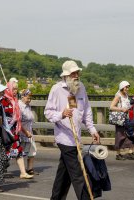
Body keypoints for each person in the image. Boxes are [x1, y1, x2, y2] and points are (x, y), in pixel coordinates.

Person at [44, 60, 100, 200]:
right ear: (66, 75)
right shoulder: (56, 89)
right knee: (77, 174)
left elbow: (86, 110)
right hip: (64, 138)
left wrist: (92, 129)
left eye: (77, 72)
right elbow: (48, 112)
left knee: (64, 174)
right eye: (73, 73)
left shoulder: (81, 87)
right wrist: (61, 114)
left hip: (76, 137)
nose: (76, 75)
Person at [1, 81, 33, 179]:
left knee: (18, 150)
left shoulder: (14, 100)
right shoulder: (3, 100)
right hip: (5, 130)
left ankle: (23, 172)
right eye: (13, 88)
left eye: (16, 89)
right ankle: (0, 170)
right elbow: (2, 115)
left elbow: (18, 117)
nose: (15, 91)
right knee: (4, 151)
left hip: (14, 130)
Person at [110, 81, 134, 160]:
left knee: (130, 135)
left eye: (128, 87)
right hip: (120, 119)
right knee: (120, 136)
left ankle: (130, 152)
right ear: (121, 87)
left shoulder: (126, 95)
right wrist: (121, 109)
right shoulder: (118, 96)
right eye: (126, 87)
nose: (127, 89)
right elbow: (111, 107)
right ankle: (118, 154)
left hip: (127, 118)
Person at [19, 89, 38, 175]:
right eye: (28, 98)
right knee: (20, 152)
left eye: (30, 98)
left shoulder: (28, 106)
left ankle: (29, 169)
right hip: (22, 132)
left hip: (29, 132)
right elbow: (18, 122)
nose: (29, 100)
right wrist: (25, 132)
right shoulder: (19, 106)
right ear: (22, 96)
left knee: (33, 149)